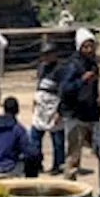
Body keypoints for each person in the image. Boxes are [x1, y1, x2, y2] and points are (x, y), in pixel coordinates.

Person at [60, 28, 100, 197]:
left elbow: (93, 86)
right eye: (85, 47)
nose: (89, 50)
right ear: (79, 47)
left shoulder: (94, 64)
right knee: (73, 158)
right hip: (76, 116)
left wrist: (99, 95)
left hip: (93, 115)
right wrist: (81, 80)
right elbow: (64, 90)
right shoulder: (72, 65)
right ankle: (68, 195)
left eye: (91, 46)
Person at [30, 41, 67, 175]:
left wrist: (60, 111)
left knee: (57, 139)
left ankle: (58, 164)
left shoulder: (61, 69)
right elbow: (39, 85)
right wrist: (34, 102)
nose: (45, 58)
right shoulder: (41, 68)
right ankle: (36, 162)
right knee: (35, 136)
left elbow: (64, 92)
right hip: (41, 104)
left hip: (53, 104)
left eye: (47, 55)